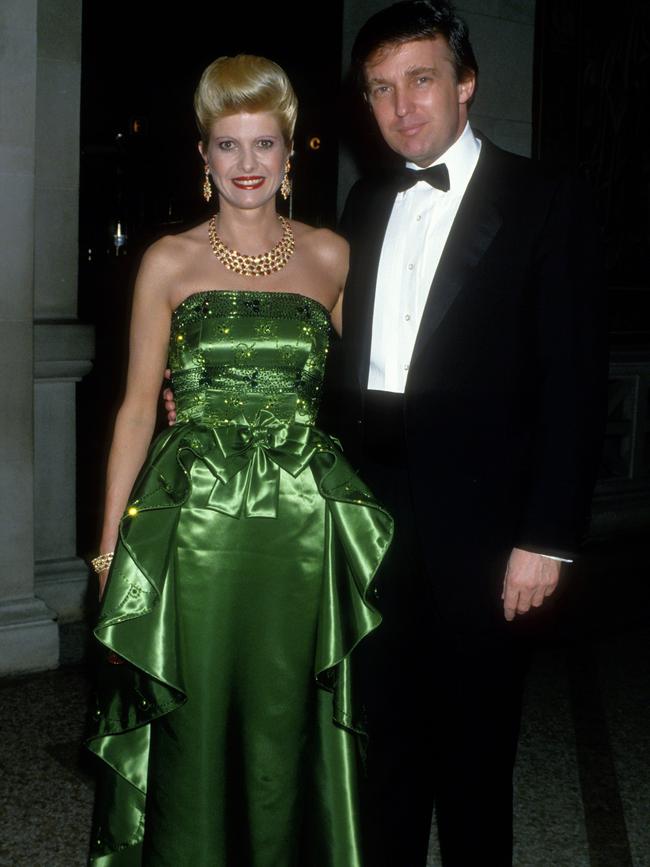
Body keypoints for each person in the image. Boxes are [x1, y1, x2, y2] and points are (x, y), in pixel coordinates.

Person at [86, 54, 392, 867]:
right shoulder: (168, 261)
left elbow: (378, 391)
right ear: (203, 155)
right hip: (194, 530)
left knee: (287, 716)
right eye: (229, 145)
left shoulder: (334, 257)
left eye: (265, 145)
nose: (247, 165)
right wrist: (112, 551)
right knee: (195, 718)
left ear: (293, 154)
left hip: (303, 527)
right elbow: (133, 411)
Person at [324, 2, 608, 865]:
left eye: (421, 78)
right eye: (380, 87)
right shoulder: (367, 200)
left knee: (478, 753)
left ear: (466, 83)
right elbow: (339, 360)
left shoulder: (543, 199)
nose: (402, 105)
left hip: (488, 524)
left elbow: (574, 381)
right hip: (373, 510)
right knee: (387, 743)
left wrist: (547, 537)